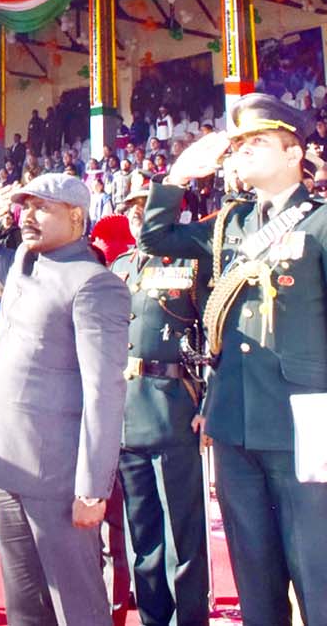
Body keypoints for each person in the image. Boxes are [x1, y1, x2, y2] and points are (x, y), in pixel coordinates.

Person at [140, 93, 327, 626]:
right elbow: (155, 237)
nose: (242, 152)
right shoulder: (231, 225)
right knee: (254, 575)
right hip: (234, 421)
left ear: (294, 153)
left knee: (317, 570)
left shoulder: (320, 223)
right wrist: (178, 176)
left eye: (257, 142)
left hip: (304, 423)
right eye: (238, 144)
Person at [0, 172, 130, 626]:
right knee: (24, 609)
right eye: (25, 207)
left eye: (41, 207)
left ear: (76, 216)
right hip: (6, 465)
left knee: (78, 608)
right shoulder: (24, 261)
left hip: (57, 477)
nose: (27, 217)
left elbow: (104, 392)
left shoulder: (94, 284)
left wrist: (92, 488)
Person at [112, 188, 209, 626]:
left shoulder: (191, 263)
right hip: (126, 409)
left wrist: (209, 400)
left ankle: (187, 620)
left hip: (172, 407)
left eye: (145, 209)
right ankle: (153, 618)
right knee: (143, 535)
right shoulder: (120, 267)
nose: (138, 216)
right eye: (132, 210)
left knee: (180, 535)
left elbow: (213, 334)